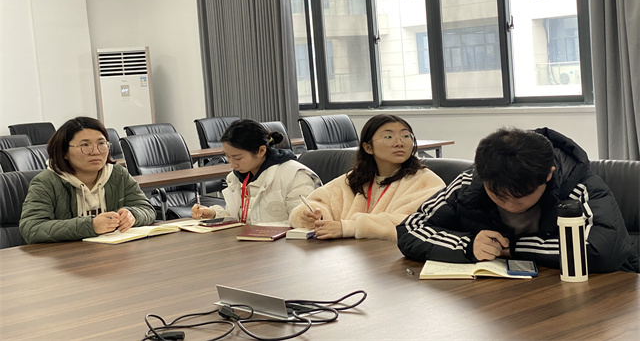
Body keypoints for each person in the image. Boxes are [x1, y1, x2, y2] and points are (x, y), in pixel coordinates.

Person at [397, 127, 639, 273]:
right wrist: (467, 245)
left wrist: (514, 248)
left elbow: (602, 249)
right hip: (505, 295)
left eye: (522, 196)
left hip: (600, 291)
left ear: (549, 175)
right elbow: (411, 228)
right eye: (498, 196)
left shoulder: (579, 185)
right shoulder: (471, 181)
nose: (511, 206)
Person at [289, 115, 445, 240]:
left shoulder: (426, 181)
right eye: (388, 137)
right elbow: (318, 201)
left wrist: (349, 228)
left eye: (405, 135)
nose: (399, 143)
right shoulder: (356, 178)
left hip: (395, 258)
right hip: (352, 257)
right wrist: (312, 215)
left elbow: (412, 224)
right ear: (368, 147)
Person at [19, 117, 155, 243]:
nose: (95, 151)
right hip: (67, 257)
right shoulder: (46, 182)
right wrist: (91, 225)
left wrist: (132, 215)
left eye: (101, 143)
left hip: (113, 252)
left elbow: (146, 209)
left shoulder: (118, 174)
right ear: (64, 152)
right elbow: (32, 228)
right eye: (85, 145)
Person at [191, 119, 321, 225]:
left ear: (261, 151)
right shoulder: (237, 177)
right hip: (249, 243)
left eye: (238, 158)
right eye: (227, 157)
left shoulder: (295, 176)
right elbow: (239, 217)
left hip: (283, 246)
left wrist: (305, 218)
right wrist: (214, 214)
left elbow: (301, 222)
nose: (232, 164)